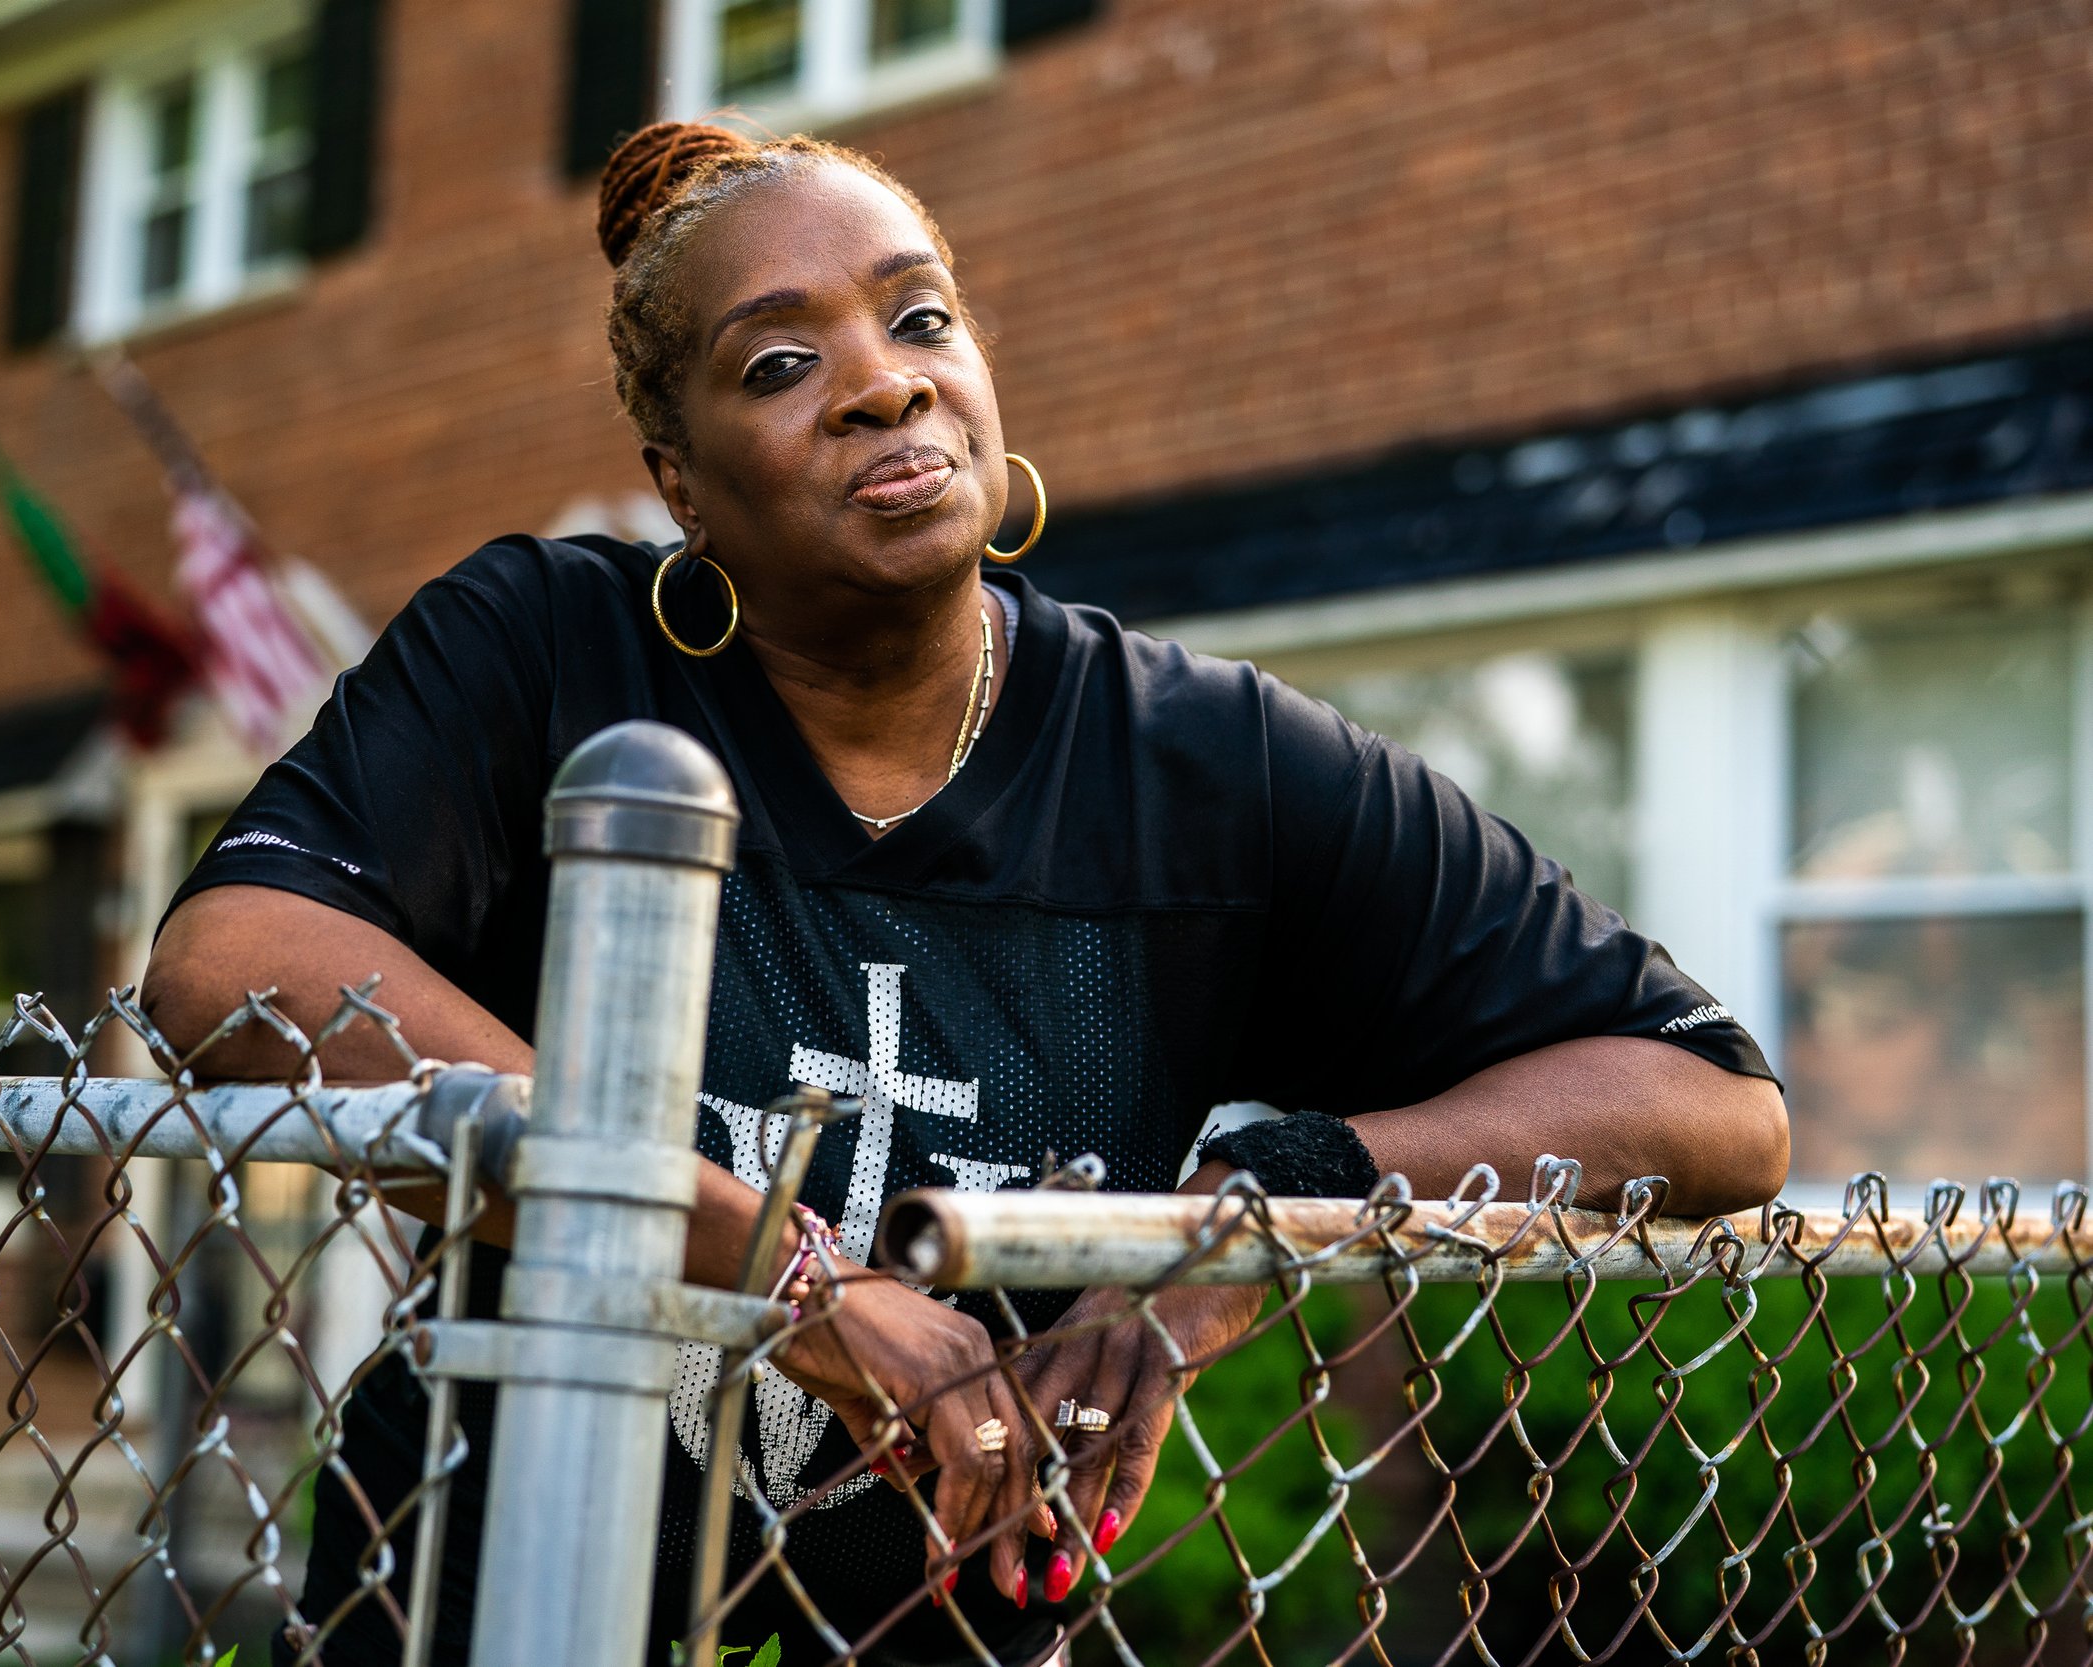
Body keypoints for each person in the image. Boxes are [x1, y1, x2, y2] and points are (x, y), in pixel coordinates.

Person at [144, 121, 1789, 1667]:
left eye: (919, 319)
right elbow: (233, 962)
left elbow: (1706, 1101)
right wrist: (787, 1277)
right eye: (780, 365)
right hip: (492, 1585)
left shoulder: (1206, 762)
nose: (880, 386)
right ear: (681, 484)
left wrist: (1240, 1227)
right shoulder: (552, 650)